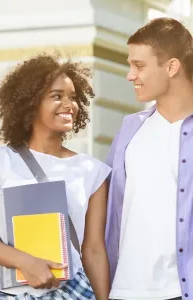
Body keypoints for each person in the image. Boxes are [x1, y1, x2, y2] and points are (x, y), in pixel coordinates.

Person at [0, 53, 111, 300]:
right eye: (56, 96)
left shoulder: (93, 171)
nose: (68, 105)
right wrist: (25, 262)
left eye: (73, 97)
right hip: (5, 292)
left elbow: (93, 251)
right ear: (31, 103)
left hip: (68, 293)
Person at [106, 17, 193, 300]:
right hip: (126, 290)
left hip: (181, 290)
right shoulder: (129, 130)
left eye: (139, 66)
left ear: (172, 66)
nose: (130, 75)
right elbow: (108, 210)